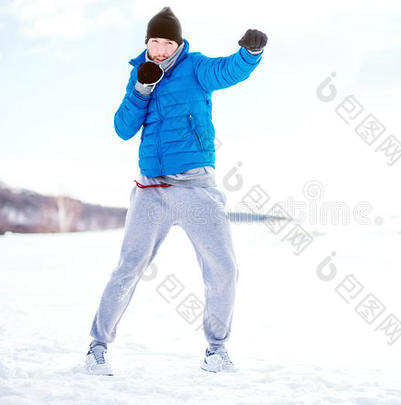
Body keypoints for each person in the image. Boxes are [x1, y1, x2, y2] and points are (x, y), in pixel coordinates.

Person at [84, 6, 267, 375]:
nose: (162, 49)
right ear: (147, 43)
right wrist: (142, 88)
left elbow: (227, 70)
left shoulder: (196, 68)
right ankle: (97, 348)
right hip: (150, 190)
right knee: (128, 267)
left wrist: (250, 54)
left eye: (169, 42)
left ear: (178, 44)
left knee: (223, 267)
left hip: (196, 188)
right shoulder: (140, 75)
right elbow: (122, 128)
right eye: (155, 41)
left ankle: (216, 350)